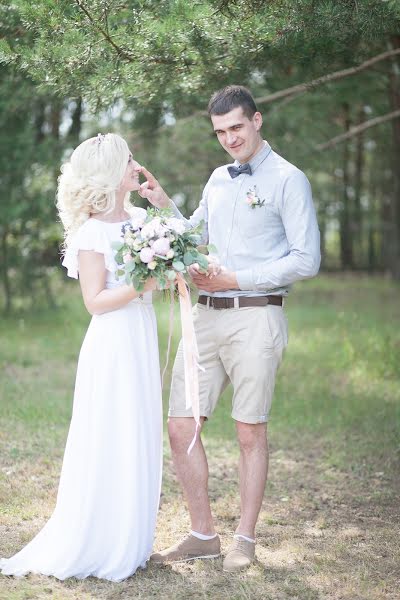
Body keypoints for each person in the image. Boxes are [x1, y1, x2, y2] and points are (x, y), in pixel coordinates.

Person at [138, 85, 321, 572]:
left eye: (236, 127)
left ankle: (244, 539)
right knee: (181, 426)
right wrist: (161, 202)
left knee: (248, 431)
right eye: (220, 132)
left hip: (257, 315)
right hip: (205, 315)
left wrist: (235, 278)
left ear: (257, 121)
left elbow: (308, 259)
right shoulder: (217, 179)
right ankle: (203, 534)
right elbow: (192, 236)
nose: (229, 139)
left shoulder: (289, 179)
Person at [0, 133, 163, 581]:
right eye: (128, 159)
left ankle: (132, 538)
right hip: (113, 340)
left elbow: (182, 241)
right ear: (112, 171)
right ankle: (101, 538)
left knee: (138, 427)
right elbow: (94, 300)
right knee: (112, 428)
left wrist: (161, 204)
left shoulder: (140, 216)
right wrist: (143, 286)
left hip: (140, 333)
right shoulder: (93, 231)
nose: (136, 164)